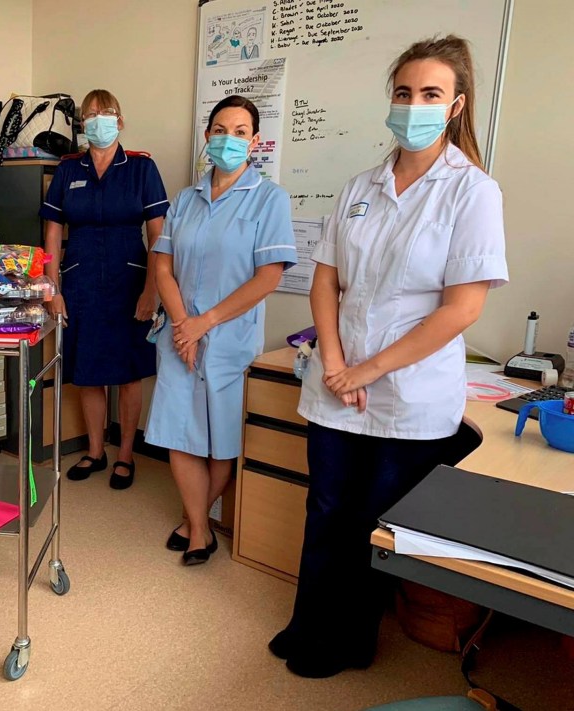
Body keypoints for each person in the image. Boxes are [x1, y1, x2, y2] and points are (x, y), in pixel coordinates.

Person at [271, 35, 509, 679]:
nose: (414, 106)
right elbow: (326, 281)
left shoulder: (472, 192)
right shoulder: (360, 187)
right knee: (325, 511)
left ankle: (349, 642)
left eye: (430, 94)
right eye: (404, 93)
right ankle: (307, 623)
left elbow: (461, 309)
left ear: (455, 105)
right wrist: (335, 361)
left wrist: (365, 371)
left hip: (406, 396)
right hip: (337, 381)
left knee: (371, 525)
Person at [144, 94, 297, 564]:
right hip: (178, 336)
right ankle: (199, 529)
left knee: (220, 438)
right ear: (206, 136)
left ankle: (195, 520)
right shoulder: (186, 200)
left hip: (229, 340)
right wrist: (183, 326)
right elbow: (163, 265)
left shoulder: (269, 198)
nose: (228, 140)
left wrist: (202, 324)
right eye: (219, 130)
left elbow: (268, 276)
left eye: (239, 132)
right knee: (178, 432)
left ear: (254, 141)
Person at [40, 89, 169, 490]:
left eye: (106, 112)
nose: (98, 119)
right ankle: (96, 451)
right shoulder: (67, 169)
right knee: (88, 371)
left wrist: (153, 291)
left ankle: (126, 454)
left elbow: (159, 237)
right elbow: (53, 232)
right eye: (90, 114)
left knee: (129, 373)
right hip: (79, 281)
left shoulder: (142, 169)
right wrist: (51, 287)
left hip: (130, 281)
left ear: (121, 120)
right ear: (81, 123)